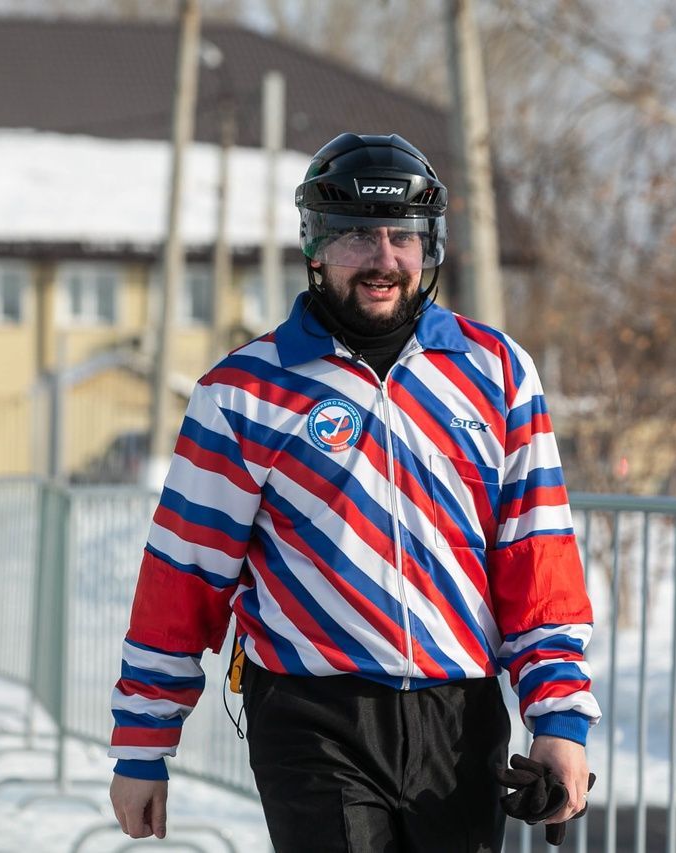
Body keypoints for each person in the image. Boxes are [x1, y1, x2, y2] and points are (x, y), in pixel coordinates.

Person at [109, 132, 600, 852]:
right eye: (357, 237)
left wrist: (559, 720)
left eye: (404, 236)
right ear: (315, 245)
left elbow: (538, 556)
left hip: (458, 717)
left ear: (429, 246)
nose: (384, 258)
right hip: (313, 716)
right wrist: (144, 743)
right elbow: (183, 574)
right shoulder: (244, 391)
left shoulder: (495, 370)